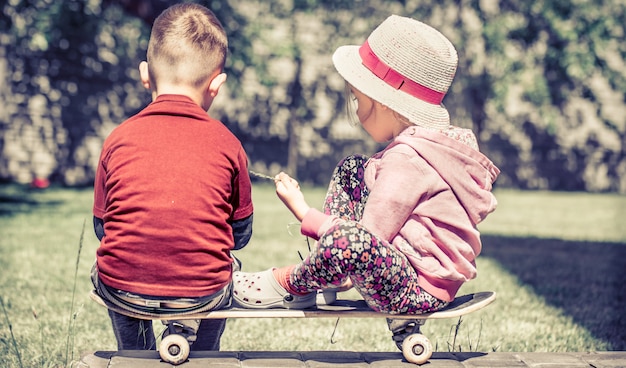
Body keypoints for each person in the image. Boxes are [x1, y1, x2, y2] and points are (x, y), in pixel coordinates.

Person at [232, 15, 499, 319]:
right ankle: (329, 272)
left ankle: (288, 283)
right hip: (411, 275)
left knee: (350, 241)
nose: (357, 109)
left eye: (358, 99)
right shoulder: (435, 148)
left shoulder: (408, 159)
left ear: (384, 102)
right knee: (352, 170)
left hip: (413, 290)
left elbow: (365, 237)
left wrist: (302, 211)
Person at [91, 3, 253, 351]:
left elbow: (102, 228)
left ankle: (135, 352)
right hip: (201, 296)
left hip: (123, 291)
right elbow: (240, 235)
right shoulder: (228, 143)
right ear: (217, 85)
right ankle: (203, 352)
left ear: (145, 74)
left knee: (108, 263)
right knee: (229, 265)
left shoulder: (117, 138)